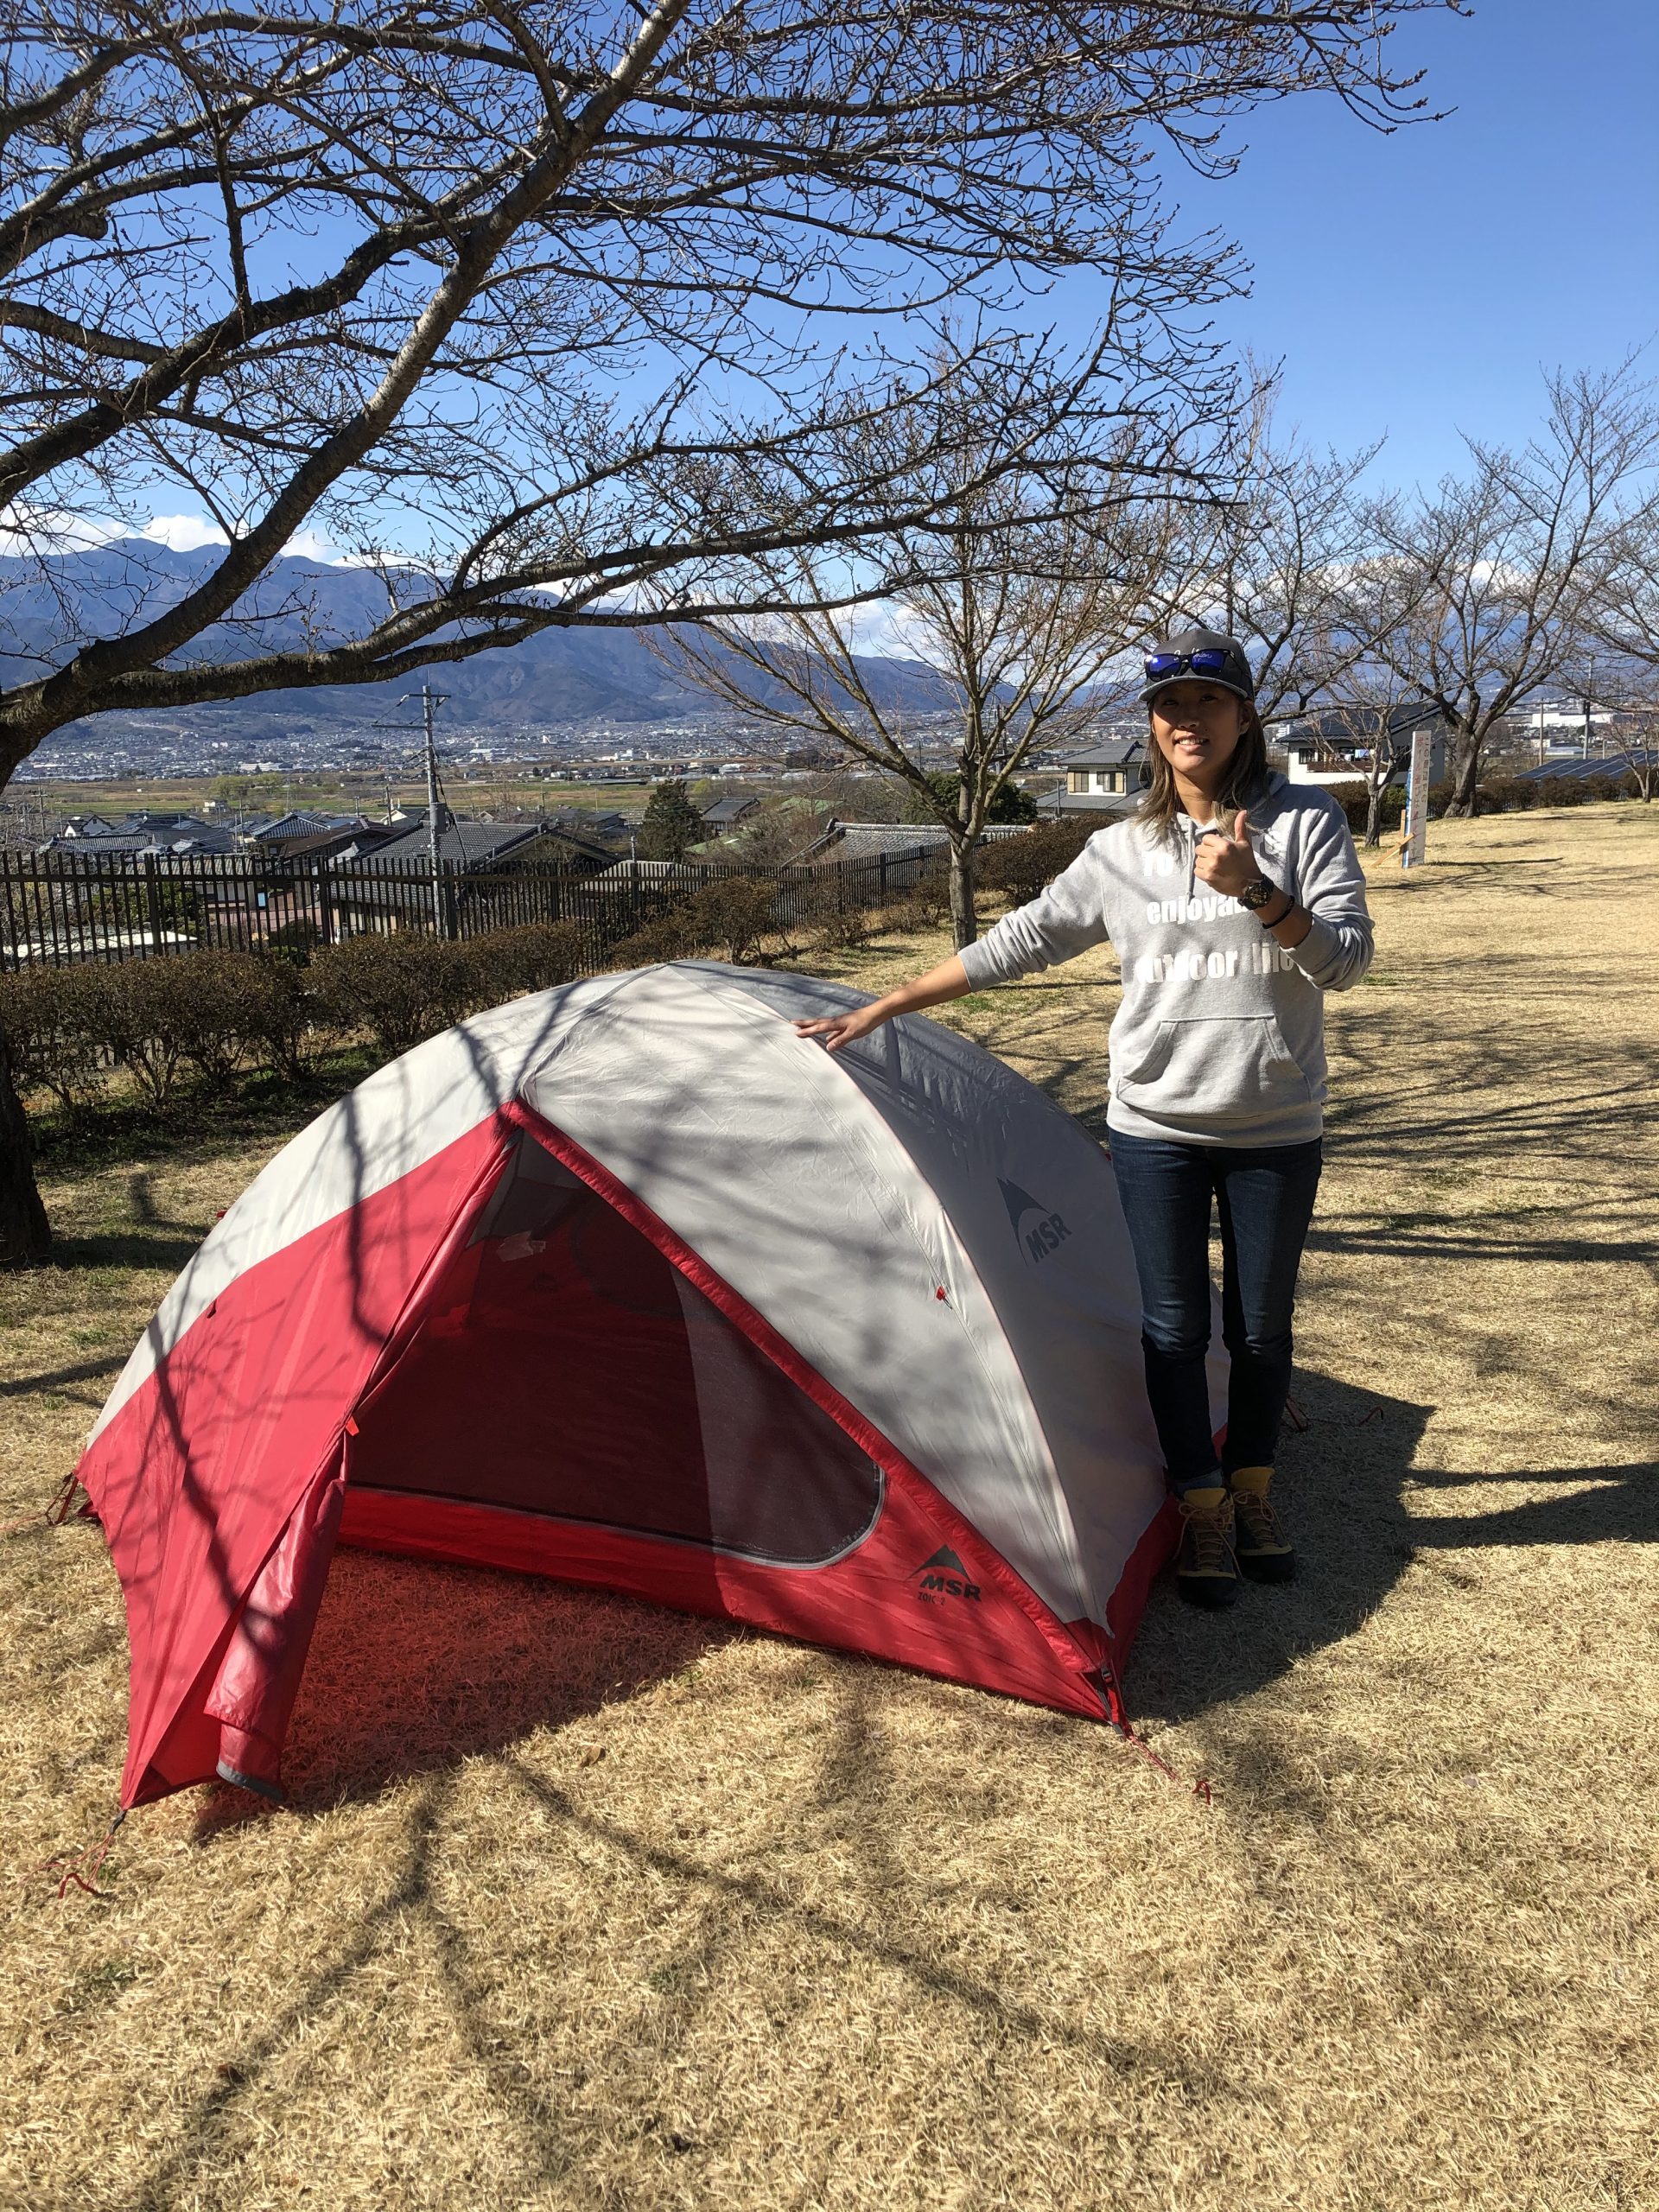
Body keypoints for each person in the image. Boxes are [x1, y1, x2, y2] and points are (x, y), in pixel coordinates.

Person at [793, 626, 1373, 1608]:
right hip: (1155, 1129)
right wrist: (888, 1003)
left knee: (1262, 1330)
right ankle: (1200, 1502)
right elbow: (1019, 942)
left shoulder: (1305, 822)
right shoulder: (1119, 850)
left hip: (1275, 1123)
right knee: (1173, 1328)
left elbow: (1347, 963)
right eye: (1170, 705)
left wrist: (1257, 892)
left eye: (1208, 701)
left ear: (1243, 715)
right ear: (1153, 725)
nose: (1188, 719)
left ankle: (1254, 1490)